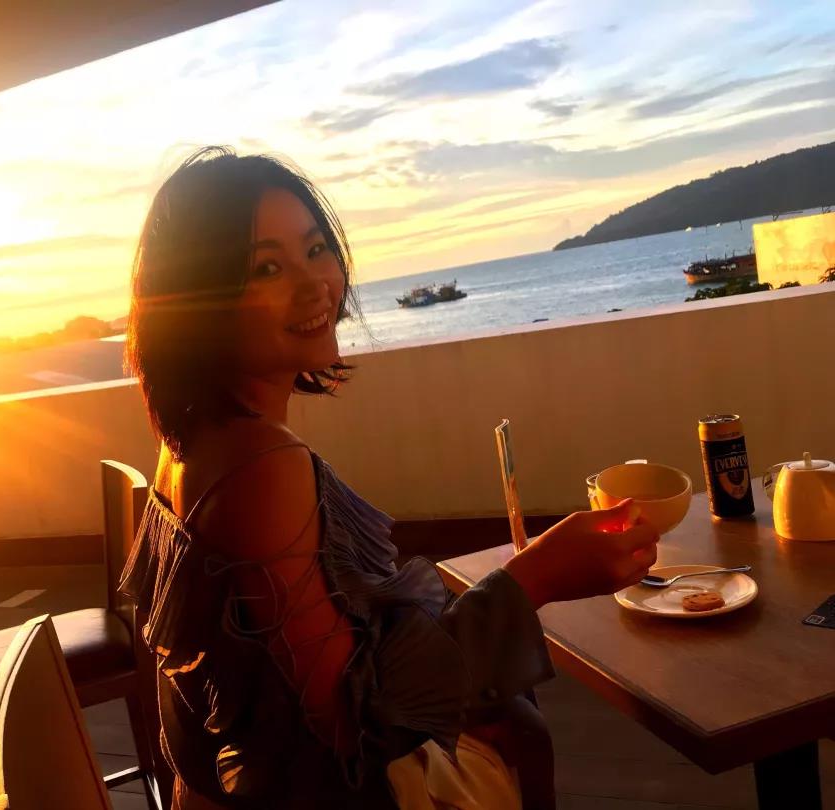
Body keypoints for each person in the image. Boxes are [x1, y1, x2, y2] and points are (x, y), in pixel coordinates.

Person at [120, 147, 659, 809]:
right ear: (199, 305)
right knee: (519, 725)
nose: (316, 284)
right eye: (266, 267)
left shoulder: (187, 445)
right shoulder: (261, 464)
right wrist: (537, 578)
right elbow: (354, 725)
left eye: (316, 249)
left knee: (515, 719)